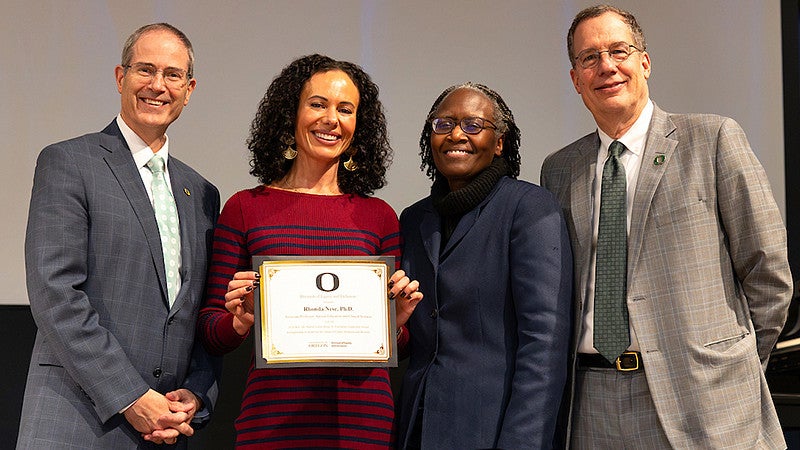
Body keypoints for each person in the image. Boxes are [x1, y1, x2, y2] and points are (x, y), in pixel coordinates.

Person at [540, 4, 793, 449]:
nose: (607, 66)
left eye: (619, 50)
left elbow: (768, 272)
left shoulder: (712, 139)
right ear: (575, 79)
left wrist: (733, 366)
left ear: (644, 61)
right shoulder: (559, 170)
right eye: (589, 58)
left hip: (705, 397)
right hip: (591, 402)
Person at [197, 54, 422, 449]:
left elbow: (397, 346)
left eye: (346, 109)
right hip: (271, 422)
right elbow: (211, 332)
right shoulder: (245, 208)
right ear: (291, 114)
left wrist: (397, 321)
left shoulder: (380, 216)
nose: (331, 119)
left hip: (362, 425)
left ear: (359, 124)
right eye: (318, 104)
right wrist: (239, 319)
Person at [18, 23, 220, 449]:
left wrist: (196, 394)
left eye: (172, 75)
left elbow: (199, 310)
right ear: (119, 77)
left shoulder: (201, 192)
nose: (157, 86)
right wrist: (130, 396)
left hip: (165, 429)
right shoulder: (69, 161)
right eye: (144, 70)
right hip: (77, 422)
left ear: (189, 88)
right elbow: (56, 293)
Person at [395, 82, 573, 449]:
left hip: (495, 430)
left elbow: (544, 343)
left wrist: (523, 442)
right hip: (418, 426)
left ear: (500, 143)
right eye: (443, 124)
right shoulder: (414, 220)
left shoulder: (529, 208)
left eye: (474, 125)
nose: (456, 134)